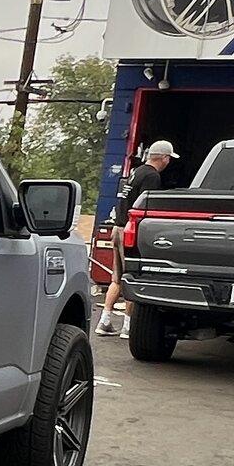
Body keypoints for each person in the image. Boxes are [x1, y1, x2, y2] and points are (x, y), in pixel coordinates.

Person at [98, 139, 177, 335]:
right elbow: (144, 208)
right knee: (133, 277)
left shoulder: (137, 172)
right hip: (130, 231)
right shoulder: (152, 176)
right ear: (164, 158)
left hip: (117, 228)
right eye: (169, 158)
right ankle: (128, 327)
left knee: (117, 278)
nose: (169, 162)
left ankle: (104, 321)